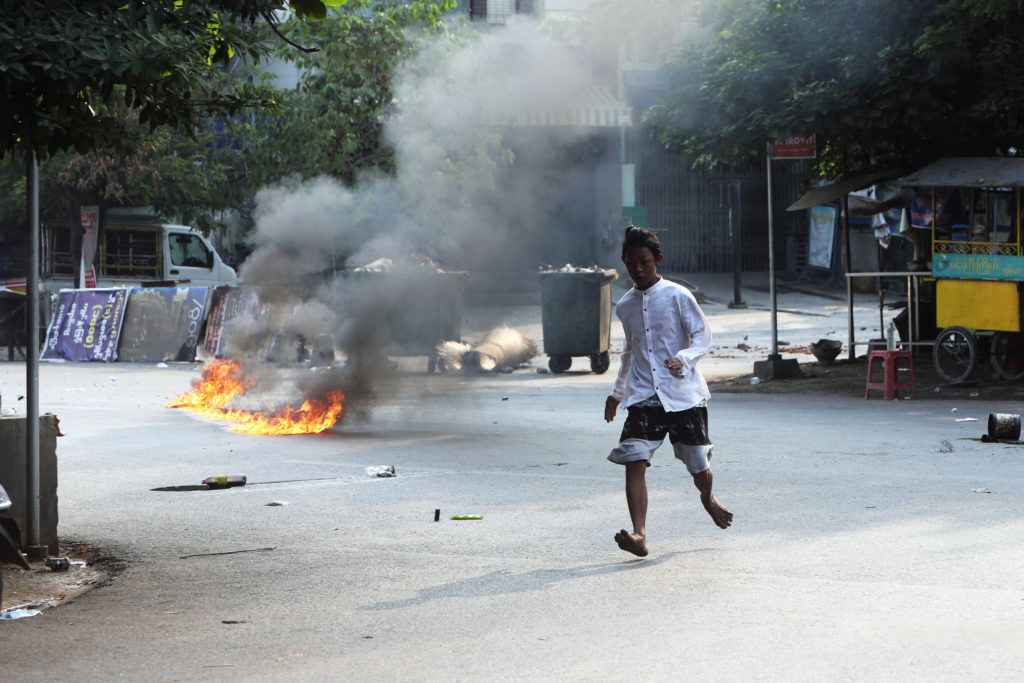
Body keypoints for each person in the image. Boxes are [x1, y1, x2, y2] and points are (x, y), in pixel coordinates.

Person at [604, 226, 733, 557]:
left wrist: (685, 358)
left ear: (657, 260)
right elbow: (630, 352)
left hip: (682, 395)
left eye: (645, 261)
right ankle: (639, 535)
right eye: (632, 263)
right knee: (634, 459)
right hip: (644, 396)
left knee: (698, 467)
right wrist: (617, 394)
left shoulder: (678, 295)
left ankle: (707, 497)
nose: (639, 269)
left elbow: (702, 336)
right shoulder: (625, 305)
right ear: (624, 262)